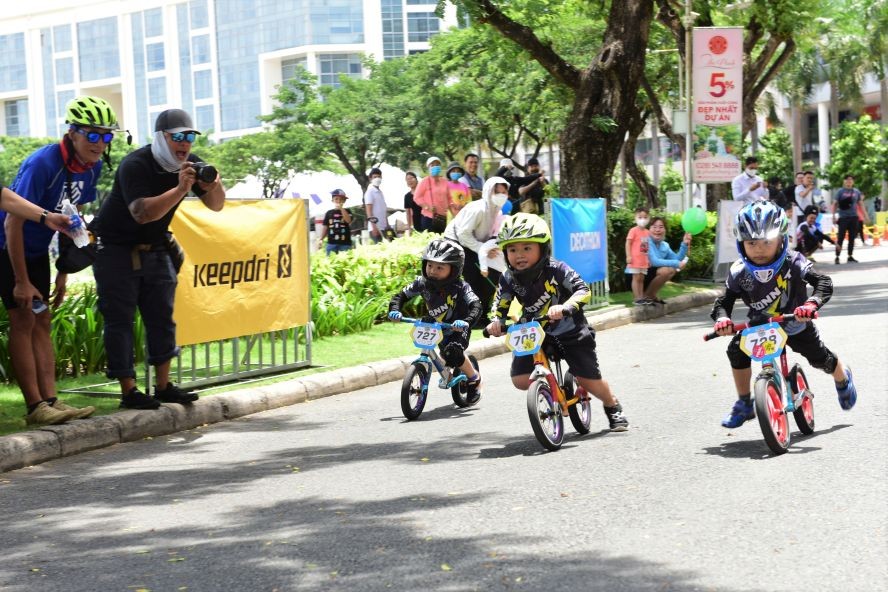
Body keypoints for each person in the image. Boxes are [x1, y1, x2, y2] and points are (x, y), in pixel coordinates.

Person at [91, 108, 225, 410]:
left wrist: (213, 184)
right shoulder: (135, 164)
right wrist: (180, 189)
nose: (185, 143)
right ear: (161, 137)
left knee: (162, 319)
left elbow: (217, 206)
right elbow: (142, 213)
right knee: (120, 321)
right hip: (115, 249)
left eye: (190, 136)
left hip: (156, 247)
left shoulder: (192, 165)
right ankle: (129, 392)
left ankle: (164, 386)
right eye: (178, 136)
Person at [0, 96, 118, 426]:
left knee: (42, 320)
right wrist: (21, 280)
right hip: (8, 249)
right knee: (23, 320)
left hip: (38, 252)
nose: (100, 144)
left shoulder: (90, 167)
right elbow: (12, 221)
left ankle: (51, 400)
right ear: (72, 133)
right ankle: (35, 406)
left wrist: (64, 271)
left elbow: (72, 217)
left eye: (106, 136)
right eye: (92, 135)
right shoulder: (43, 164)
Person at [711, 201, 857, 429]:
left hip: (795, 324)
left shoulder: (794, 262)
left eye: (766, 242)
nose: (759, 249)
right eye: (751, 243)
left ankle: (842, 378)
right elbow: (723, 302)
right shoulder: (739, 271)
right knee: (735, 351)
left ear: (781, 239)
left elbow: (823, 283)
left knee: (821, 359)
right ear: (741, 244)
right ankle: (744, 403)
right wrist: (722, 320)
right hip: (761, 327)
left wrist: (811, 304)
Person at [485, 213, 630, 432]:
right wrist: (496, 321)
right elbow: (501, 303)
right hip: (533, 328)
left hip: (569, 329)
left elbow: (583, 290)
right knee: (521, 379)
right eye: (513, 249)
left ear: (542, 248)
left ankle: (612, 405)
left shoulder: (557, 269)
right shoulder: (508, 277)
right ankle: (548, 384)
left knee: (589, 380)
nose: (519, 255)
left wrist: (566, 307)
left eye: (527, 248)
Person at [387, 239, 482, 401]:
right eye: (430, 265)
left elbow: (476, 305)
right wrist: (394, 310)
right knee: (444, 354)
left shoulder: (461, 287)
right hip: (437, 327)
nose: (433, 271)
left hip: (458, 327)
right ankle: (447, 372)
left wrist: (466, 321)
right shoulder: (421, 283)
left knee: (453, 353)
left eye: (439, 267)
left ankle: (474, 379)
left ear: (454, 269)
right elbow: (400, 296)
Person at [443, 177, 510, 327]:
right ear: (488, 191)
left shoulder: (496, 211)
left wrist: (487, 248)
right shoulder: (478, 209)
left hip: (475, 244)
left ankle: (481, 314)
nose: (501, 195)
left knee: (489, 277)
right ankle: (473, 316)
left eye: (504, 192)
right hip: (458, 242)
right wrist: (482, 249)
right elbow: (463, 234)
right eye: (496, 191)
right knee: (473, 278)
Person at [643, 216, 690, 304]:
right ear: (648, 229)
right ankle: (647, 296)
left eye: (661, 227)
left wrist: (684, 244)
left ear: (665, 230)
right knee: (665, 271)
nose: (657, 230)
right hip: (639, 275)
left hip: (651, 274)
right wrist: (677, 263)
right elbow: (654, 262)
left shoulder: (665, 245)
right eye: (654, 227)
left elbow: (676, 259)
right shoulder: (646, 241)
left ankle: (651, 295)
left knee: (671, 270)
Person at [413, 156, 452, 232]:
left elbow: (449, 198)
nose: (435, 167)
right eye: (432, 165)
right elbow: (416, 197)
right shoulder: (425, 181)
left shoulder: (445, 182)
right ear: (429, 168)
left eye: (437, 165)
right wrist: (427, 207)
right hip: (429, 218)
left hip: (442, 218)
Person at [831, 174, 861, 264]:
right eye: (847, 180)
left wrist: (865, 216)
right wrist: (833, 215)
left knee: (852, 237)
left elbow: (860, 204)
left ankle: (850, 256)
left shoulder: (856, 192)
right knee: (840, 237)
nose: (849, 181)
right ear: (844, 181)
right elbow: (835, 204)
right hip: (843, 218)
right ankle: (837, 256)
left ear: (853, 182)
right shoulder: (840, 191)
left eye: (851, 180)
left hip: (853, 217)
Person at [624, 206, 651, 305]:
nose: (642, 219)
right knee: (636, 278)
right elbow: (628, 243)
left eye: (645, 217)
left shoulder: (648, 232)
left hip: (644, 260)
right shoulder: (633, 230)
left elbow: (649, 247)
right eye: (640, 217)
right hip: (635, 260)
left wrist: (649, 259)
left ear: (648, 218)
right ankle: (637, 298)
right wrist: (628, 256)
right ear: (635, 218)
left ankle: (641, 296)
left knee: (641, 278)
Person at [317, 189, 353, 254]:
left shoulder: (348, 211)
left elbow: (348, 221)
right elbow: (325, 227)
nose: (338, 201)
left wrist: (341, 208)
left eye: (341, 199)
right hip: (331, 243)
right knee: (330, 261)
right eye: (336, 199)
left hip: (345, 243)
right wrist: (321, 239)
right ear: (332, 200)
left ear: (344, 201)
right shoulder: (329, 213)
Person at [364, 167, 391, 242]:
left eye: (379, 177)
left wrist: (387, 224)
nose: (377, 179)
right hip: (376, 228)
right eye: (375, 177)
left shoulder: (380, 192)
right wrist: (374, 227)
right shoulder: (370, 192)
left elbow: (383, 210)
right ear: (370, 179)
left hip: (384, 227)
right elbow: (369, 211)